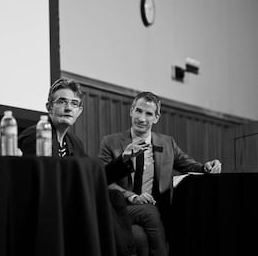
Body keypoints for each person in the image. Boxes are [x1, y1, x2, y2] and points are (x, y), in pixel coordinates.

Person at [18, 78, 142, 256]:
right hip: (47, 207)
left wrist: (123, 159)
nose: (68, 108)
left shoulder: (74, 143)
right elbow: (35, 183)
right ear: (49, 107)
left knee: (112, 196)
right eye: (62, 101)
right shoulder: (35, 135)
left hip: (70, 204)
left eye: (74, 104)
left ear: (79, 111)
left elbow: (93, 178)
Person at [99, 91, 222, 256]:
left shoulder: (167, 143)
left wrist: (206, 167)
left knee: (145, 237)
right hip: (122, 207)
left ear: (156, 117)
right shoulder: (110, 142)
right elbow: (102, 179)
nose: (142, 118)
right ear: (131, 111)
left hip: (159, 210)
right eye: (138, 111)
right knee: (145, 223)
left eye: (148, 113)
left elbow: (188, 165)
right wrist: (132, 196)